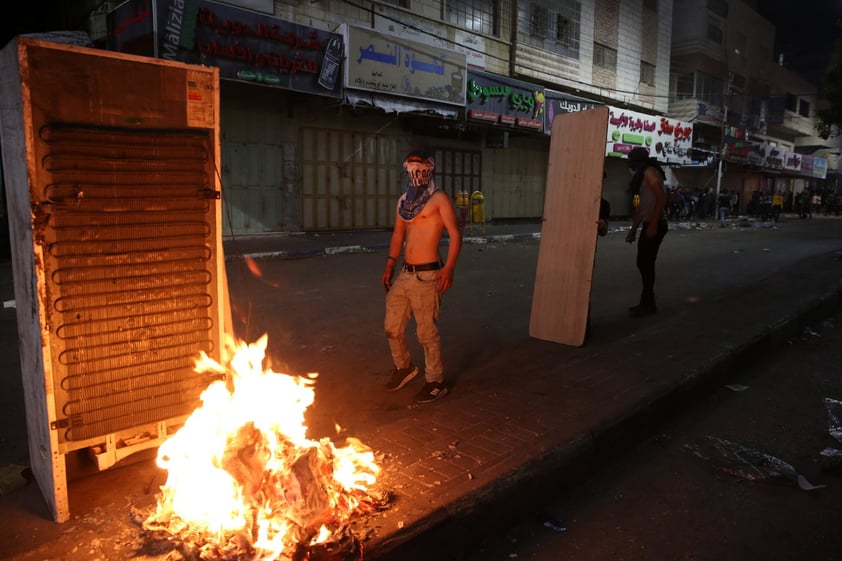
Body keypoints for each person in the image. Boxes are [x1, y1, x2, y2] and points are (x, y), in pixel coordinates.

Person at [381, 150, 462, 403]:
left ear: (430, 167)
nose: (415, 169)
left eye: (420, 164)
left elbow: (455, 234)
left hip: (429, 275)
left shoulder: (439, 199)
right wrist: (390, 264)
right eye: (411, 164)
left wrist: (448, 268)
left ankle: (436, 381)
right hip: (405, 274)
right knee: (391, 328)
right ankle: (404, 368)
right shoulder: (404, 202)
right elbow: (398, 235)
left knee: (426, 333)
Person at [625, 147, 668, 318]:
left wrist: (653, 224)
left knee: (645, 263)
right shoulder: (638, 178)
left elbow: (661, 197)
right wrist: (633, 230)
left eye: (631, 160)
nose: (629, 163)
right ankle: (647, 302)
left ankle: (648, 304)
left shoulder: (649, 172)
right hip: (648, 223)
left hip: (656, 223)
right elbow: (639, 207)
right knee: (644, 263)